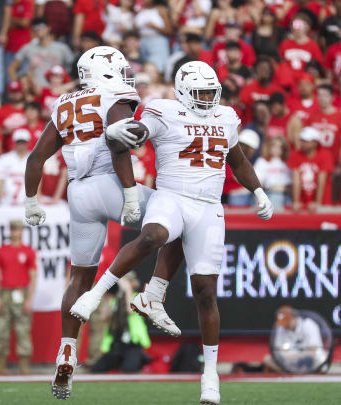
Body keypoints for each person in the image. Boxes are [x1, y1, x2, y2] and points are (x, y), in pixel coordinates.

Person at [70, 61, 273, 404]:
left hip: (209, 207)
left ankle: (210, 373)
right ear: (182, 92)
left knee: (206, 292)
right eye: (201, 93)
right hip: (172, 195)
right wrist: (127, 132)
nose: (208, 98)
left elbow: (237, 160)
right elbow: (142, 131)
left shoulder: (225, 117)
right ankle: (94, 295)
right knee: (152, 236)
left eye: (212, 92)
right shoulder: (166, 111)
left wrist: (258, 190)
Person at [23, 46, 186, 400]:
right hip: (109, 182)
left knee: (78, 275)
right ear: (107, 70)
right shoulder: (115, 93)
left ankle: (67, 347)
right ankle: (153, 296)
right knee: (179, 220)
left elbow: (37, 156)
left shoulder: (64, 101)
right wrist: (129, 192)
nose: (127, 75)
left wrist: (31, 200)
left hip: (78, 194)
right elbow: (118, 143)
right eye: (122, 68)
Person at [0, 220, 36, 375]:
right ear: (9, 231)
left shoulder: (28, 251)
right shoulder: (1, 251)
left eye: (17, 229)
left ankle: (24, 364)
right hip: (4, 293)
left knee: (23, 329)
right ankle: (1, 364)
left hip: (21, 293)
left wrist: (29, 299)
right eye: (12, 229)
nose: (15, 232)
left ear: (22, 231)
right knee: (1, 329)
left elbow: (33, 277)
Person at [288, 127, 334, 210]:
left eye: (306, 141)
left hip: (323, 204)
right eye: (302, 140)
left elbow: (322, 180)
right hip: (302, 205)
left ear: (315, 142)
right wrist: (296, 201)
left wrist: (318, 203)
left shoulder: (325, 154)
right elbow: (296, 180)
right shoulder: (295, 155)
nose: (302, 143)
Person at [0, 129, 31, 206]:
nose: (21, 145)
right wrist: (2, 198)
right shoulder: (3, 159)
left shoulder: (33, 160)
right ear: (14, 142)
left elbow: (37, 182)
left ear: (28, 143)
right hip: (7, 203)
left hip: (26, 204)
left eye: (23, 142)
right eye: (19, 142)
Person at [253, 137, 292, 208]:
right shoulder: (262, 161)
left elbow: (292, 183)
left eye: (280, 147)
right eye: (274, 146)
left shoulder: (287, 163)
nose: (277, 149)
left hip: (287, 192)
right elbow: (258, 182)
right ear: (270, 147)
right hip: (270, 192)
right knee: (276, 195)